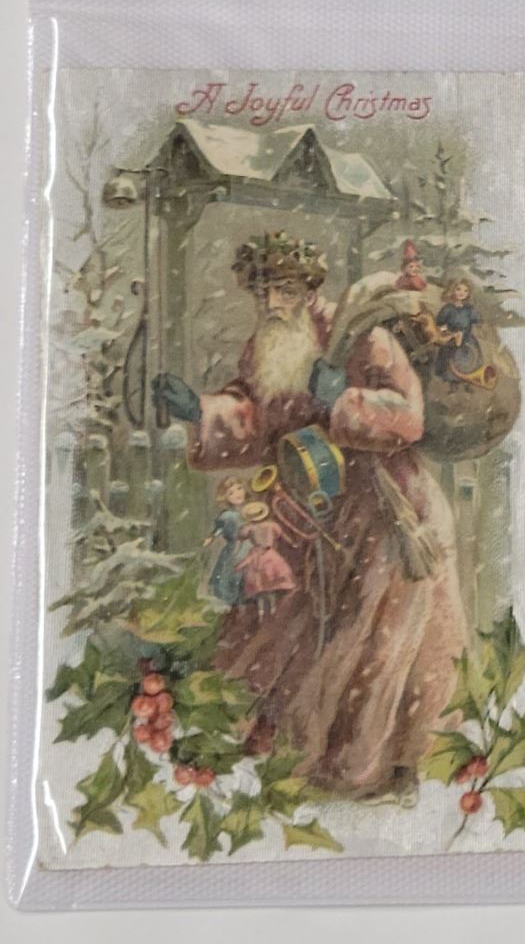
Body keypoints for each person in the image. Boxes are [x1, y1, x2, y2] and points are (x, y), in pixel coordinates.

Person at [152, 231, 466, 798]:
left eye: (286, 290)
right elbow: (260, 420)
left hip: (388, 508)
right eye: (264, 291)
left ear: (309, 288)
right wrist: (200, 408)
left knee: (374, 636)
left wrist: (346, 398)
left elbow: (410, 418)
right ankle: (293, 756)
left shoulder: (362, 336)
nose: (274, 304)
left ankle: (370, 767)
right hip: (316, 509)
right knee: (294, 629)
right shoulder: (266, 347)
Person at [233, 499, 298, 619]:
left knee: (262, 586)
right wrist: (292, 542)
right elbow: (280, 535)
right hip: (269, 554)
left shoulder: (250, 528)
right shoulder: (271, 525)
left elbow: (240, 536)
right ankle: (270, 609)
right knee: (270, 583)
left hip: (258, 556)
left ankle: (263, 611)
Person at [203, 476, 251, 608]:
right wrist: (211, 538)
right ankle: (233, 601)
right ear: (225, 497)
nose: (237, 494)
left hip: (251, 546)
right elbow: (218, 529)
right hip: (235, 549)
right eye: (231, 493)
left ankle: (249, 598)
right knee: (233, 572)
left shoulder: (251, 509)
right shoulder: (227, 515)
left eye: (239, 488)